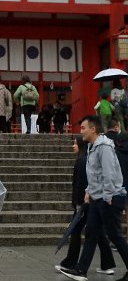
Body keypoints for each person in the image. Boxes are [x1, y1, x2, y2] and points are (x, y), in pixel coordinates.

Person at [60, 115, 128, 281]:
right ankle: (81, 270)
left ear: (93, 129)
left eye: (83, 128)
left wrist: (108, 195)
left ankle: (82, 269)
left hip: (109, 198)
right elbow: (95, 174)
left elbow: (109, 173)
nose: (81, 131)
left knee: (115, 235)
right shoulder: (93, 147)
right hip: (98, 197)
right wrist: (89, 191)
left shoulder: (104, 147)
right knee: (91, 232)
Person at [55, 136, 115, 275]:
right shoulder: (86, 158)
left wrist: (77, 204)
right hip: (91, 199)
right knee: (98, 232)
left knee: (76, 230)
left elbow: (79, 185)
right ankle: (107, 264)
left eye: (75, 143)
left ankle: (71, 262)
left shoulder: (82, 161)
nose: (73, 146)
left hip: (85, 201)